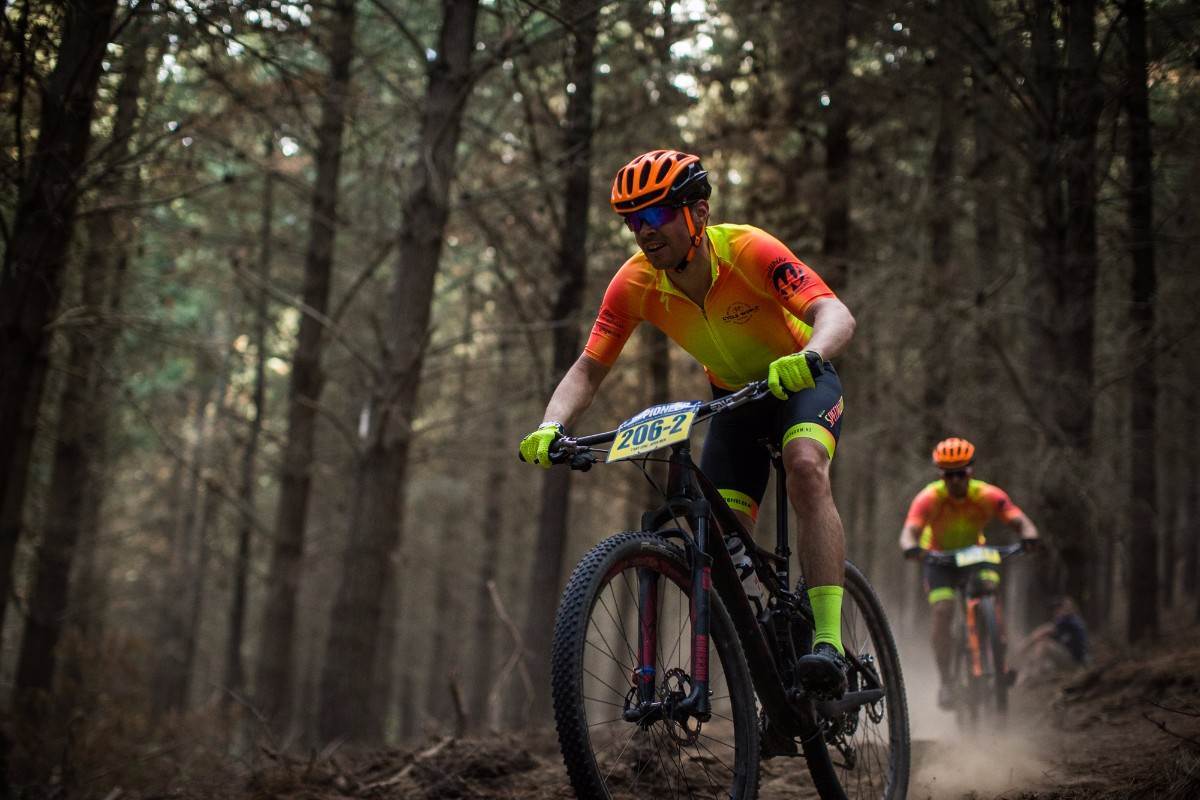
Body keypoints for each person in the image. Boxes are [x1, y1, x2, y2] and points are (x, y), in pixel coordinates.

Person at [518, 149, 857, 697]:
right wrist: (550, 426)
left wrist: (811, 355)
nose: (644, 231)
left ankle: (828, 642)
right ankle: (767, 669)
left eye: (656, 214)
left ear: (699, 212)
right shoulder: (633, 283)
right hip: (734, 403)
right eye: (633, 220)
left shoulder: (749, 249)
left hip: (800, 383)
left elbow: (834, 312)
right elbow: (588, 368)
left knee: (804, 466)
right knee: (722, 542)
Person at [898, 437, 1040, 709]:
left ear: (970, 471)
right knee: (943, 610)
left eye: (960, 474)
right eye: (948, 475)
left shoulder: (987, 495)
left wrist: (1029, 535)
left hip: (976, 556)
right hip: (939, 559)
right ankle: (946, 682)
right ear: (941, 475)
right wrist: (910, 547)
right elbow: (910, 531)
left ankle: (997, 657)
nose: (955, 480)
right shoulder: (929, 498)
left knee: (990, 591)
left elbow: (1019, 520)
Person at [1017, 595, 1088, 684]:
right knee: (1042, 646)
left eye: (1059, 608)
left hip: (1075, 663)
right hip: (1073, 661)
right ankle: (1028, 675)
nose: (1056, 612)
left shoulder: (1069, 620)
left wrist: (1025, 645)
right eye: (1055, 609)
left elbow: (1044, 631)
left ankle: (1033, 676)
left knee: (1043, 644)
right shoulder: (1068, 624)